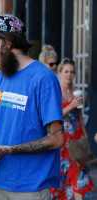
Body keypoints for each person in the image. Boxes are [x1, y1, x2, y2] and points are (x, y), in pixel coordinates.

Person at [0, 14, 64, 200]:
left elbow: (56, 139)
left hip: (31, 188)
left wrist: (8, 150)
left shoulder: (43, 78)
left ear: (7, 42)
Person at [50, 58, 93, 200]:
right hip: (62, 140)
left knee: (78, 178)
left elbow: (79, 116)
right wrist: (71, 106)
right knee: (63, 179)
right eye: (66, 71)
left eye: (72, 72)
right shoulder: (55, 91)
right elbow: (53, 116)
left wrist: (85, 136)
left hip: (76, 140)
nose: (69, 74)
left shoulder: (75, 91)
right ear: (60, 72)